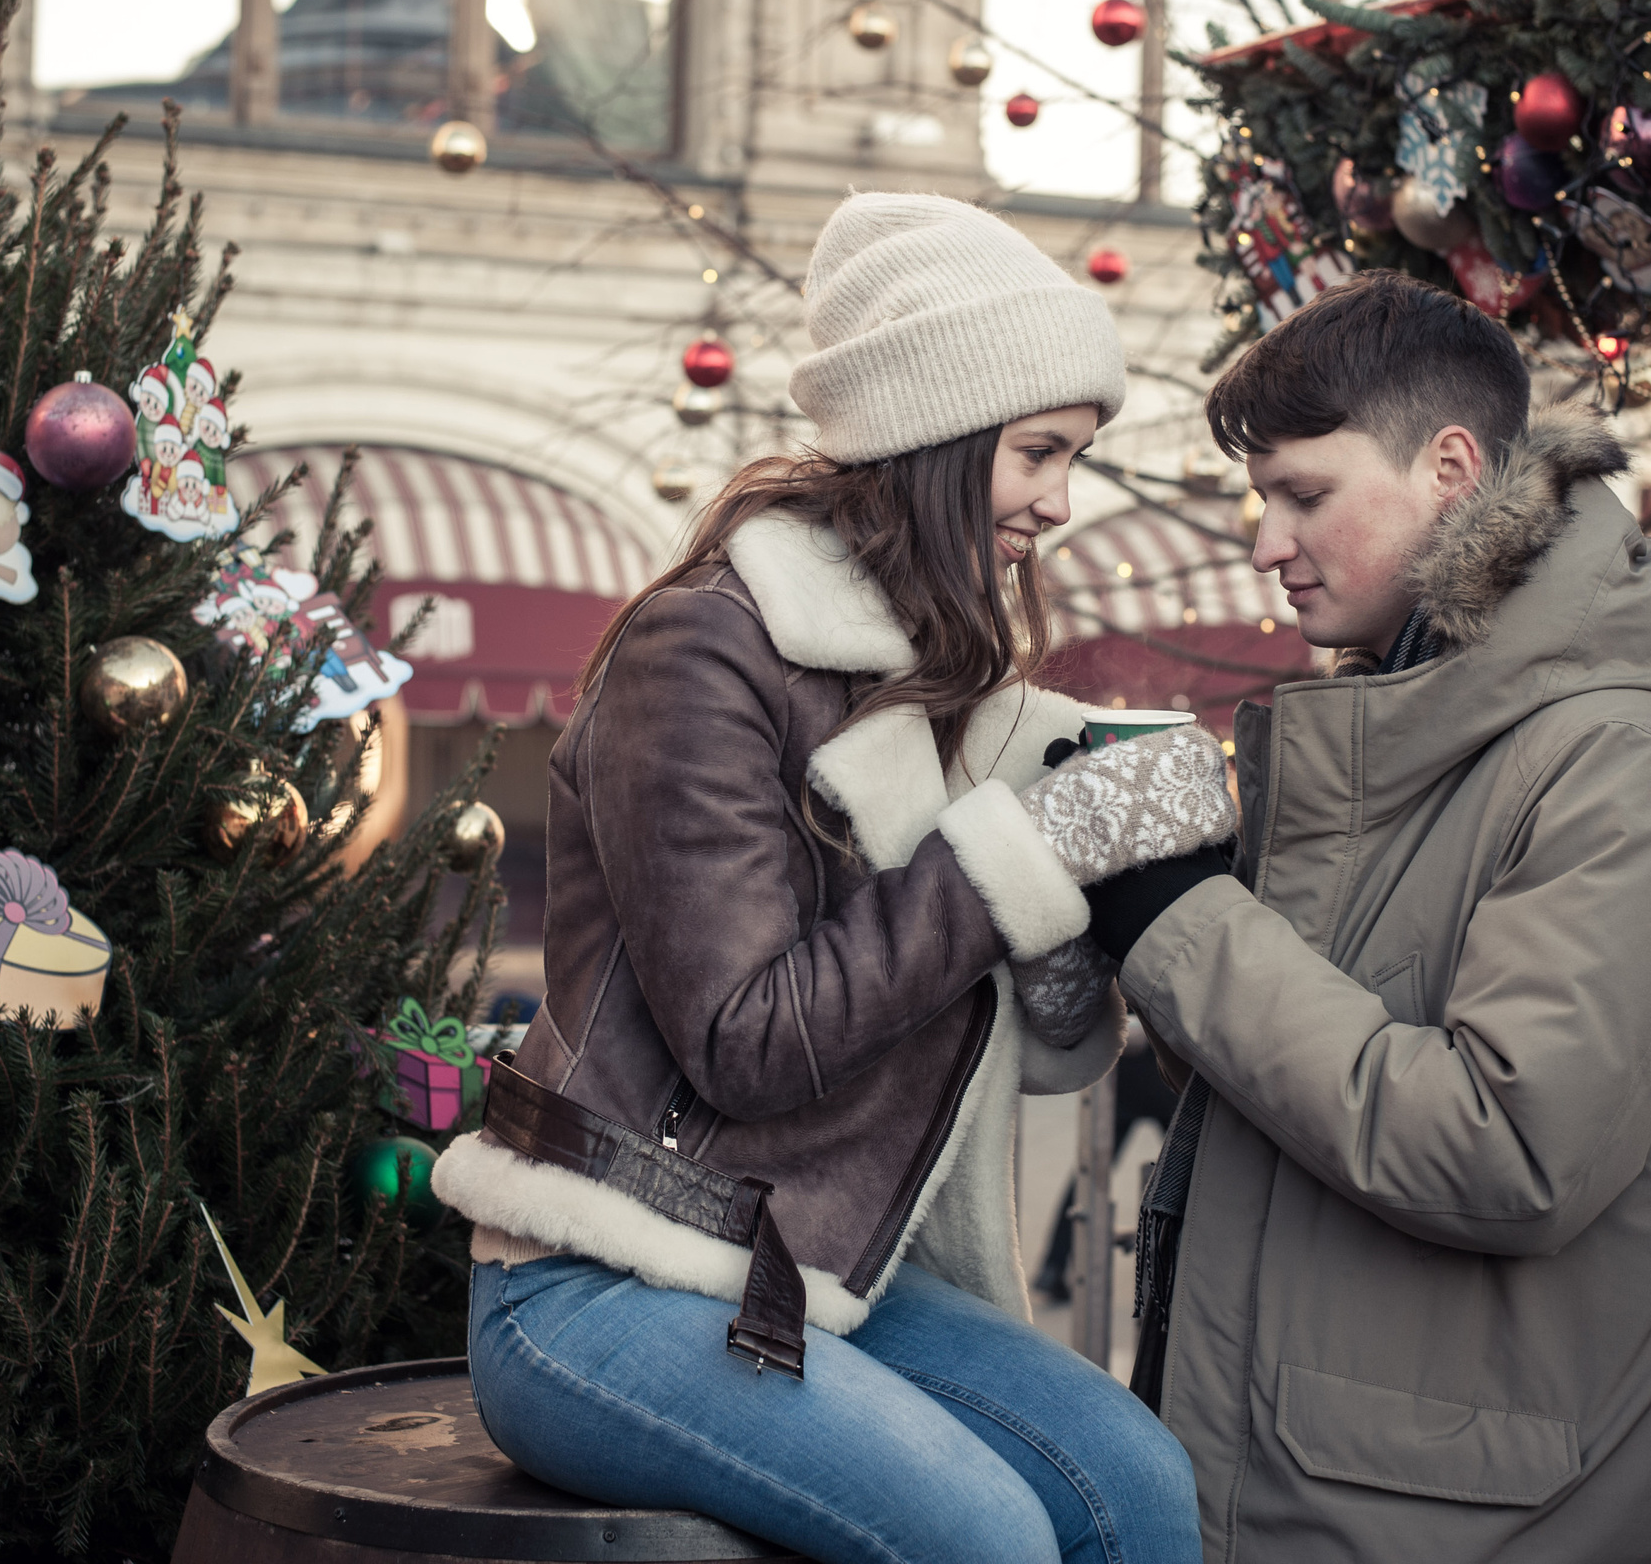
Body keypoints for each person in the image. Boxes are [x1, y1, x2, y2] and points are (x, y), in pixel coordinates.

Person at [434, 192, 1229, 1564]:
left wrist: (1087, 880)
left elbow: (997, 1032)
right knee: (987, 1536)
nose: (1060, 497)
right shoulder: (704, 651)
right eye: (1038, 452)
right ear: (934, 439)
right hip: (601, 1269)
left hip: (809, 1268)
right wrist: (1033, 847)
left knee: (1137, 1490)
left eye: (1075, 455)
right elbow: (747, 1040)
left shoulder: (931, 677)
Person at [1083, 270, 1651, 1562]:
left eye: (1305, 496)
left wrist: (1185, 926)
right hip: (1369, 1478)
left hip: (1489, 1509)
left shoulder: (1609, 754)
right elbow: (1293, 1083)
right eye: (1260, 497)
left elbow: (1508, 1150)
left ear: (1451, 466)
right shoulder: (1408, 729)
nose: (1263, 542)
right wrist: (1180, 906)